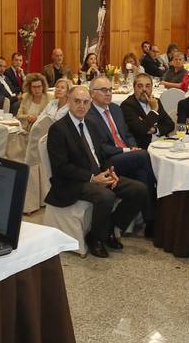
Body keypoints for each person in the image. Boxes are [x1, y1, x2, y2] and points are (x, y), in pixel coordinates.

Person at [46, 86, 149, 257]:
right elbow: (61, 167)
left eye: (86, 102)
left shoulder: (91, 125)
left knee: (139, 190)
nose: (81, 106)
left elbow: (100, 155)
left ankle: (110, 228)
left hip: (98, 175)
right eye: (77, 101)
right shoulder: (58, 129)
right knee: (106, 195)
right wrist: (93, 178)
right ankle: (96, 238)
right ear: (69, 102)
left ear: (90, 103)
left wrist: (110, 172)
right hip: (72, 182)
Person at [86, 76, 157, 218]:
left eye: (110, 90)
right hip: (108, 160)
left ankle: (149, 218)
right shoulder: (89, 115)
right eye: (103, 90)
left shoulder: (115, 109)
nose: (108, 93)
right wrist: (128, 150)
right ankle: (152, 216)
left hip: (126, 154)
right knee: (144, 156)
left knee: (142, 171)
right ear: (92, 93)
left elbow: (127, 134)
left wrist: (133, 147)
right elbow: (100, 148)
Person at [122, 72, 175, 148]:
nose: (144, 89)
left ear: (152, 88)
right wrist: (154, 110)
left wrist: (155, 130)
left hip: (164, 143)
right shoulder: (128, 105)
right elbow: (140, 130)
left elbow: (170, 125)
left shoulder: (156, 101)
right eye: (140, 86)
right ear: (134, 88)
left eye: (147, 86)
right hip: (145, 148)